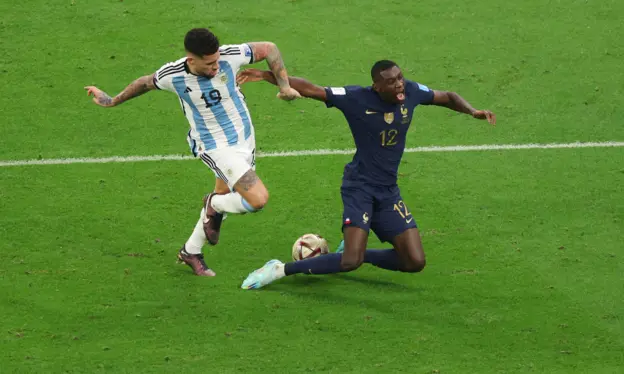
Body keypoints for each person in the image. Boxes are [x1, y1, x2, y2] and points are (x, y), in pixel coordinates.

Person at [235, 60, 496, 289]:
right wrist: (270, 77)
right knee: (350, 262)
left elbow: (448, 96)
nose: (399, 85)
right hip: (359, 187)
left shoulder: (412, 91)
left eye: (400, 78)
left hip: (388, 190)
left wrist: (472, 111)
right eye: (391, 82)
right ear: (376, 87)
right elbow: (313, 89)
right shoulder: (356, 98)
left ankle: (357, 252)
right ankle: (278, 269)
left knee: (414, 261)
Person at [85, 28, 300, 276]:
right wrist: (111, 100)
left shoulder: (231, 55)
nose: (216, 67)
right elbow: (144, 83)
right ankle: (214, 205)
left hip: (245, 139)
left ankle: (191, 251)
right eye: (209, 64)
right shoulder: (173, 75)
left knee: (224, 192)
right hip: (215, 146)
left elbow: (270, 48)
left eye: (217, 60)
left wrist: (284, 86)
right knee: (257, 199)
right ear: (191, 60)